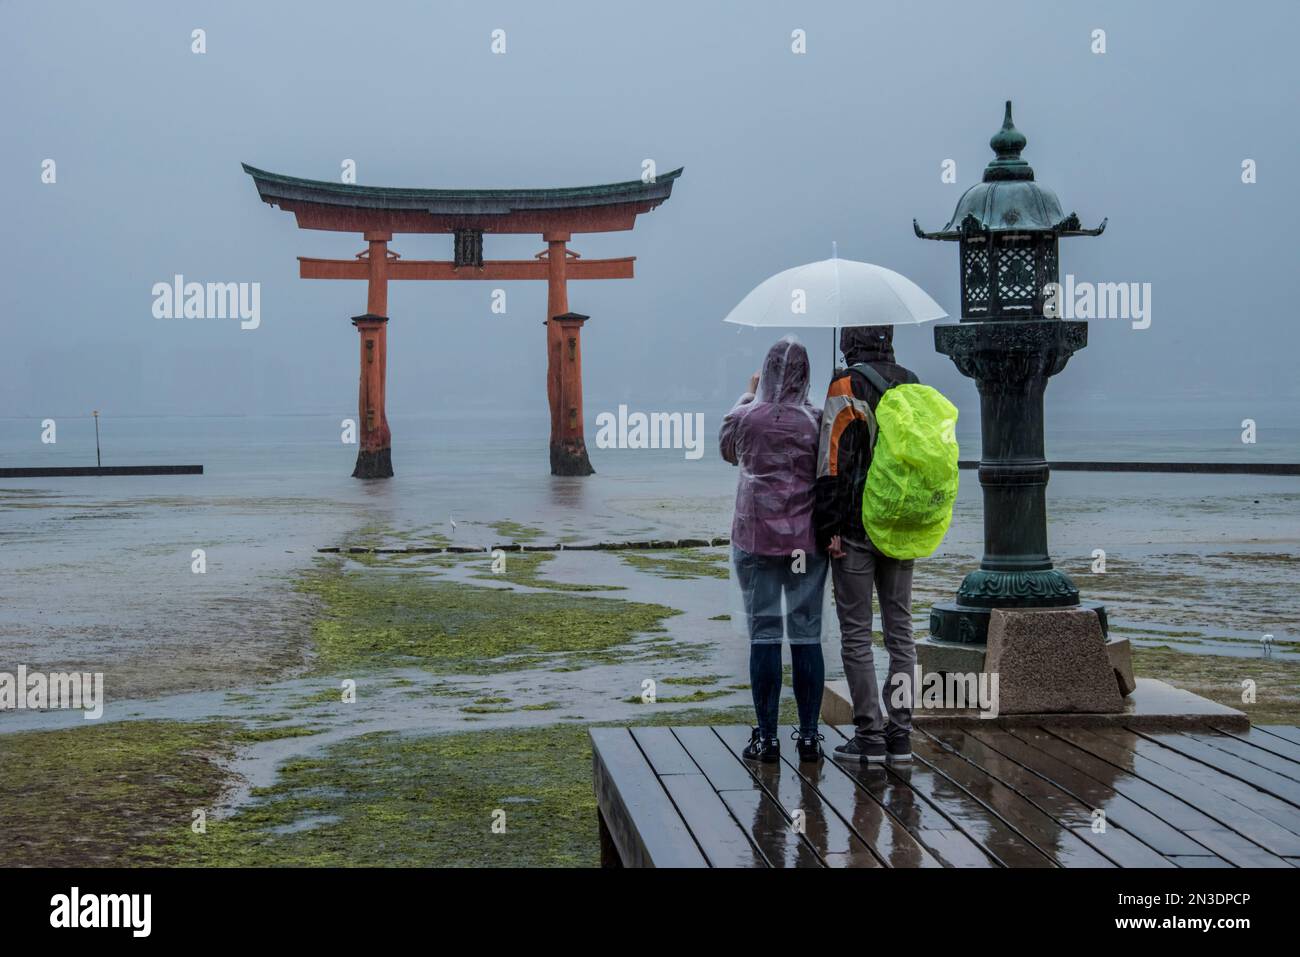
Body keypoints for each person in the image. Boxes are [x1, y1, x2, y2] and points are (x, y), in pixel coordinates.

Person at [719, 336, 829, 763]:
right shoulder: (817, 420)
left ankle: (766, 737)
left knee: (763, 634)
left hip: (755, 539)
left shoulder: (746, 417)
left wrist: (749, 393)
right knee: (806, 635)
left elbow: (729, 451)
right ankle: (808, 736)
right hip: (806, 541)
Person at [814, 325, 919, 764]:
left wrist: (828, 527)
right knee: (902, 631)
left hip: (856, 527)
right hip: (902, 524)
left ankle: (870, 734)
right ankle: (902, 735)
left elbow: (832, 460)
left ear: (849, 342)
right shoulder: (912, 382)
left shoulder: (845, 384)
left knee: (856, 634)